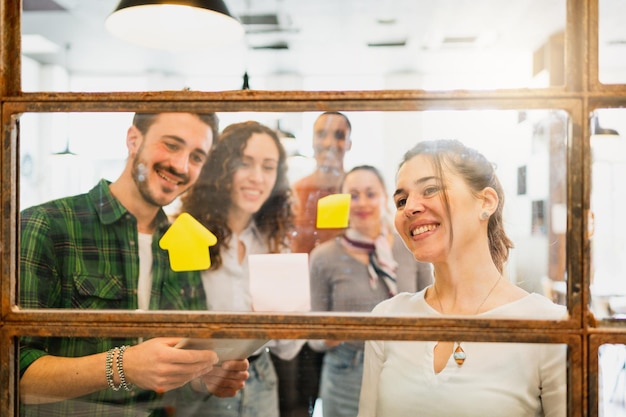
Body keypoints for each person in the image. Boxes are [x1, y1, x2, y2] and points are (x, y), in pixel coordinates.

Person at [19, 112, 250, 417]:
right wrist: (123, 365)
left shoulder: (186, 242)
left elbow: (182, 362)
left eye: (196, 157)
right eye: (171, 145)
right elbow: (14, 373)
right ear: (133, 140)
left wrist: (204, 376)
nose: (181, 166)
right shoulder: (45, 224)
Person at [357, 139, 567, 417]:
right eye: (401, 200)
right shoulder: (387, 318)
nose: (409, 208)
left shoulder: (550, 326)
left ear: (486, 202)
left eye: (430, 189)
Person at [178, 120, 304, 417]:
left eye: (269, 167)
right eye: (244, 163)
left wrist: (288, 316)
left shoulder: (276, 244)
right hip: (197, 381)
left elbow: (288, 348)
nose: (257, 178)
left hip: (260, 379)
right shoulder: (186, 233)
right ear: (221, 168)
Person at [308, 165, 432, 417]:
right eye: (352, 195)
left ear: (385, 197)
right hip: (345, 372)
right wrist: (335, 333)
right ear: (341, 202)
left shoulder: (412, 247)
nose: (362, 203)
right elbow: (313, 337)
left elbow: (432, 310)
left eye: (370, 194)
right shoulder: (324, 257)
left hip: (405, 363)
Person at [275, 111, 353, 417]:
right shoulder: (298, 190)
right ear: (312, 140)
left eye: (338, 134)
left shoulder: (357, 190)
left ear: (349, 142)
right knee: (298, 400)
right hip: (302, 306)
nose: (330, 142)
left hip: (345, 308)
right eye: (322, 133)